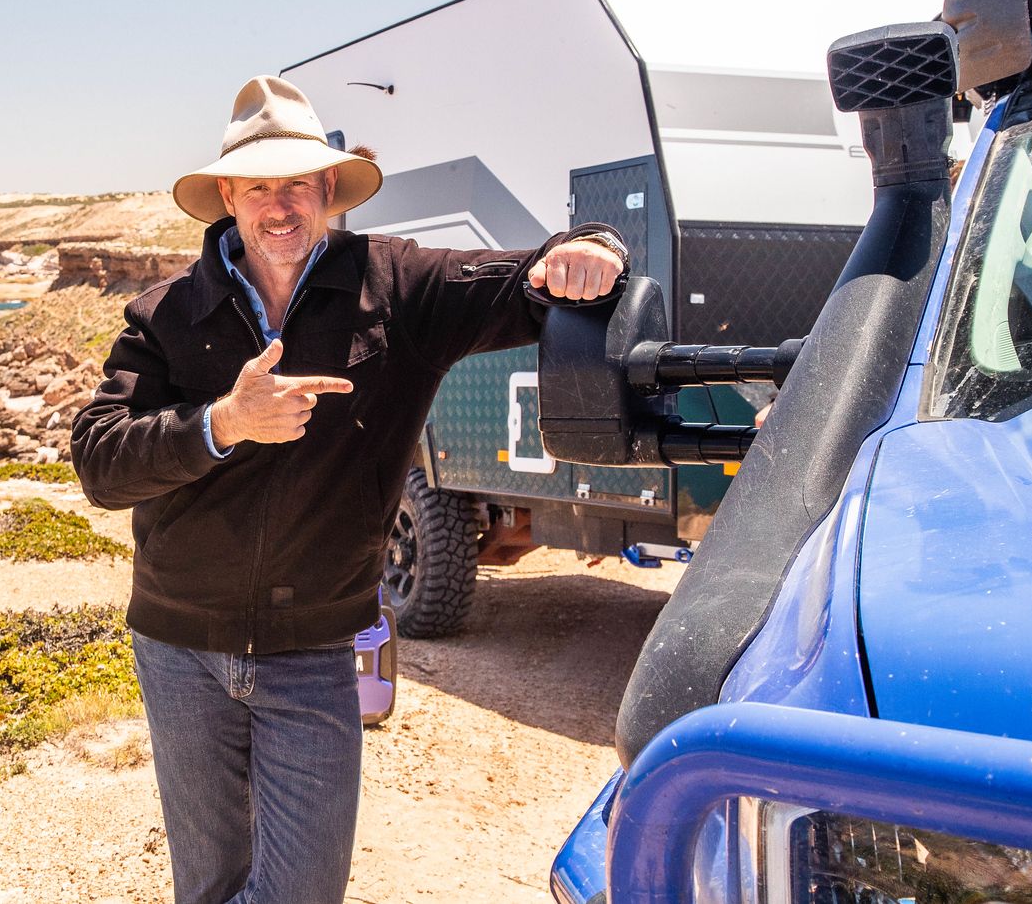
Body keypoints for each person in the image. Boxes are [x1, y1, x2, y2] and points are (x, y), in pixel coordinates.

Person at [71, 75, 627, 904]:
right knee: (210, 885)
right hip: (179, 648)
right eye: (258, 185)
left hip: (314, 654)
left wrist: (592, 247)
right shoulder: (166, 315)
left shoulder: (397, 288)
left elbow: (527, 281)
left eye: (297, 182)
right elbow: (100, 463)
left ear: (328, 188)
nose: (279, 204)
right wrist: (223, 423)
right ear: (227, 197)